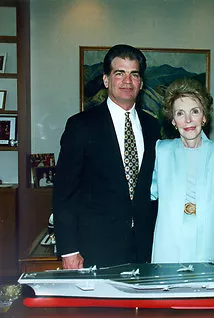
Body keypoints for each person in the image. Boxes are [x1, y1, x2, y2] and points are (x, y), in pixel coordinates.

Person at [53, 44, 161, 269]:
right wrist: (69, 250)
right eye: (119, 73)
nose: (127, 81)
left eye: (134, 74)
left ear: (141, 83)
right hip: (95, 249)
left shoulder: (153, 126)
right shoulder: (80, 126)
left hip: (144, 248)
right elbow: (65, 192)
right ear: (106, 80)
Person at [150, 77, 214, 263]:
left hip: (208, 246)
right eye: (180, 113)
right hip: (168, 246)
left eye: (194, 111)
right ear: (173, 121)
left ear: (204, 117)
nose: (188, 120)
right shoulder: (161, 150)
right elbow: (147, 193)